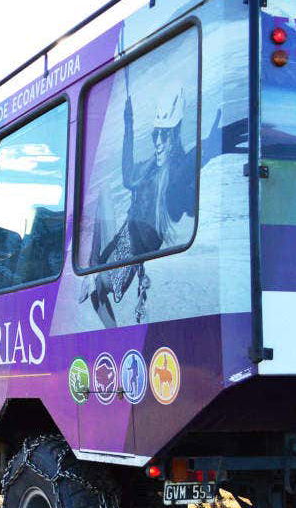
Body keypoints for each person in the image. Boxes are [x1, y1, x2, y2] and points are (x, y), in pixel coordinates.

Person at [82, 78, 242, 327]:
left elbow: (191, 165)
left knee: (99, 289)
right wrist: (129, 123)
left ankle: (94, 279)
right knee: (102, 198)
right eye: (156, 135)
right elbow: (126, 176)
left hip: (131, 250)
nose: (158, 142)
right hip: (122, 240)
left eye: (164, 136)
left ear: (174, 136)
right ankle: (93, 277)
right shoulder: (148, 170)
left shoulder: (176, 172)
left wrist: (210, 148)